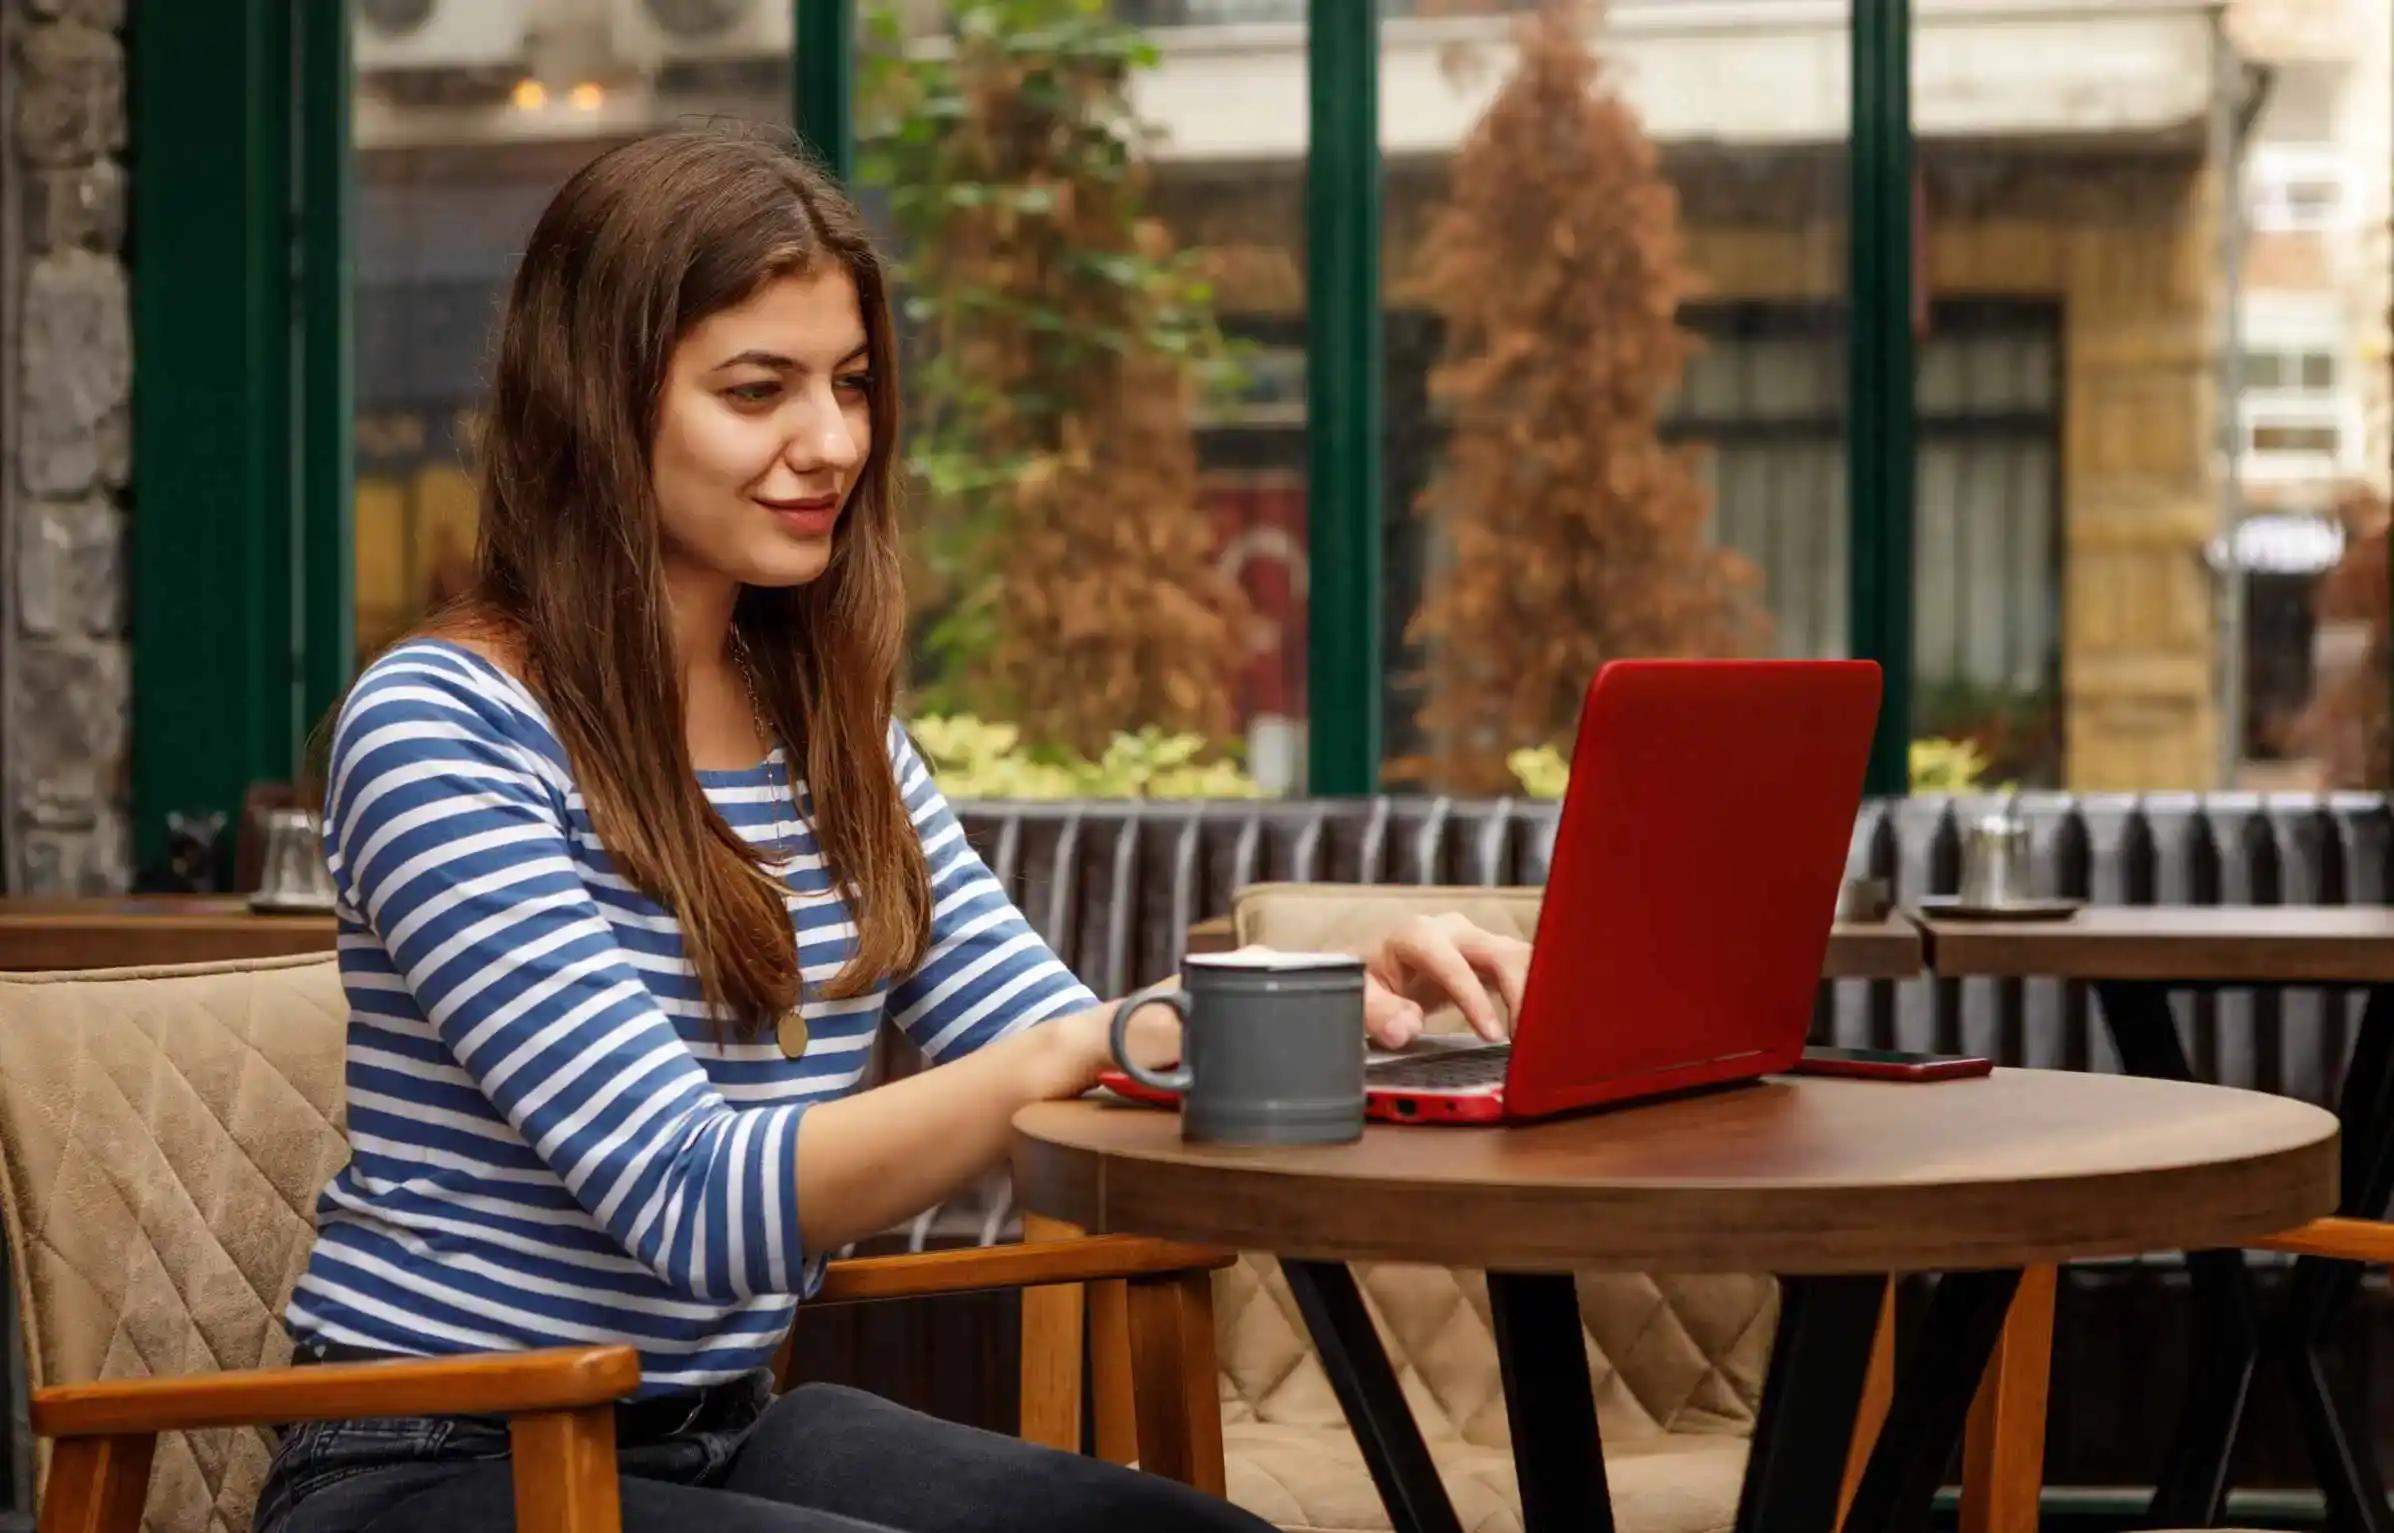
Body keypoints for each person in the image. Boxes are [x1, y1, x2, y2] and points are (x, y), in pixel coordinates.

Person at [258, 126, 1530, 1533]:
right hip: (439, 1462)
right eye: (759, 392)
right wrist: (1090, 1043)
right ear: (597, 406)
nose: (834, 443)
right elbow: (694, 1203)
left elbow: (1072, 1059)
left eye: (852, 385)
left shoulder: (828, 736)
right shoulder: (444, 724)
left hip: (717, 1436)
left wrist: (1329, 1003)